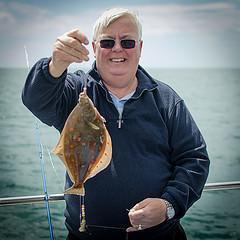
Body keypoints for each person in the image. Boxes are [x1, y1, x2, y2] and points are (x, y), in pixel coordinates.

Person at [22, 7, 210, 240]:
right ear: (94, 48)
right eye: (107, 42)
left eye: (128, 42)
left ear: (140, 48)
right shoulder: (74, 92)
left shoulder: (166, 100)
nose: (117, 48)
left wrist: (168, 205)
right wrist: (55, 65)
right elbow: (36, 99)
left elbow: (195, 159)